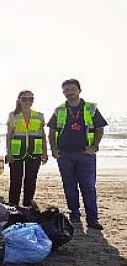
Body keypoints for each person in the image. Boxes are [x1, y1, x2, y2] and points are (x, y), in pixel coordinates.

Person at [48, 79, 106, 229]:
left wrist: (94, 146)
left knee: (88, 186)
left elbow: (100, 128)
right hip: (64, 155)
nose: (69, 92)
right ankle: (74, 214)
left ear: (79, 90)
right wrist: (53, 149)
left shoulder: (90, 108)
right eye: (66, 90)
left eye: (72, 89)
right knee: (69, 186)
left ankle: (92, 219)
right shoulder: (59, 110)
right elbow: (52, 131)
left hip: (85, 155)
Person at [6, 90, 48, 207]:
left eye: (31, 99)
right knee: (15, 181)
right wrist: (8, 152)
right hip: (17, 153)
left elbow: (43, 135)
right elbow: (9, 135)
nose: (27, 101)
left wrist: (45, 152)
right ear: (19, 100)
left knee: (31, 180)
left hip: (34, 152)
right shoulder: (12, 115)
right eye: (24, 99)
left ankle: (28, 206)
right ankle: (13, 206)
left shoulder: (39, 116)